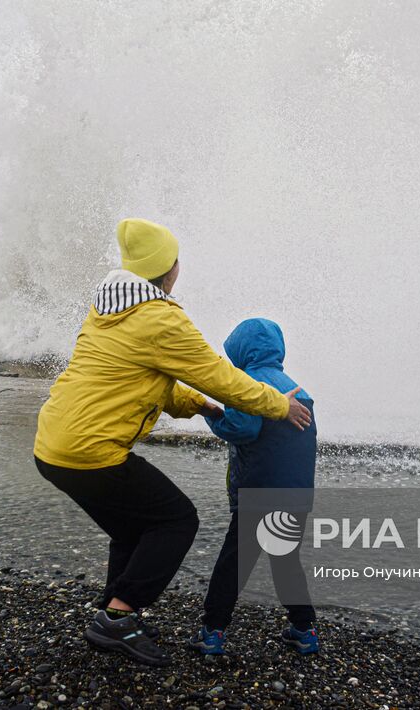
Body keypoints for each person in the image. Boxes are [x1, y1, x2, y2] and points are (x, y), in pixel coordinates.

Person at [33, 218, 313, 667]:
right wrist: (278, 405)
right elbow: (223, 378)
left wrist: (196, 406)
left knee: (132, 528)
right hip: (92, 450)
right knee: (177, 519)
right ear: (169, 267)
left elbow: (150, 379)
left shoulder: (108, 309)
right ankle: (119, 618)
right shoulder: (160, 317)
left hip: (53, 444)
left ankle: (116, 612)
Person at [189, 318, 319, 657]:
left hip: (259, 493)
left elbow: (241, 428)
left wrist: (211, 413)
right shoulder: (297, 388)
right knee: (286, 561)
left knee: (234, 563)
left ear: (242, 351)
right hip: (296, 494)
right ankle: (304, 630)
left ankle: (212, 631)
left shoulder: (248, 384)